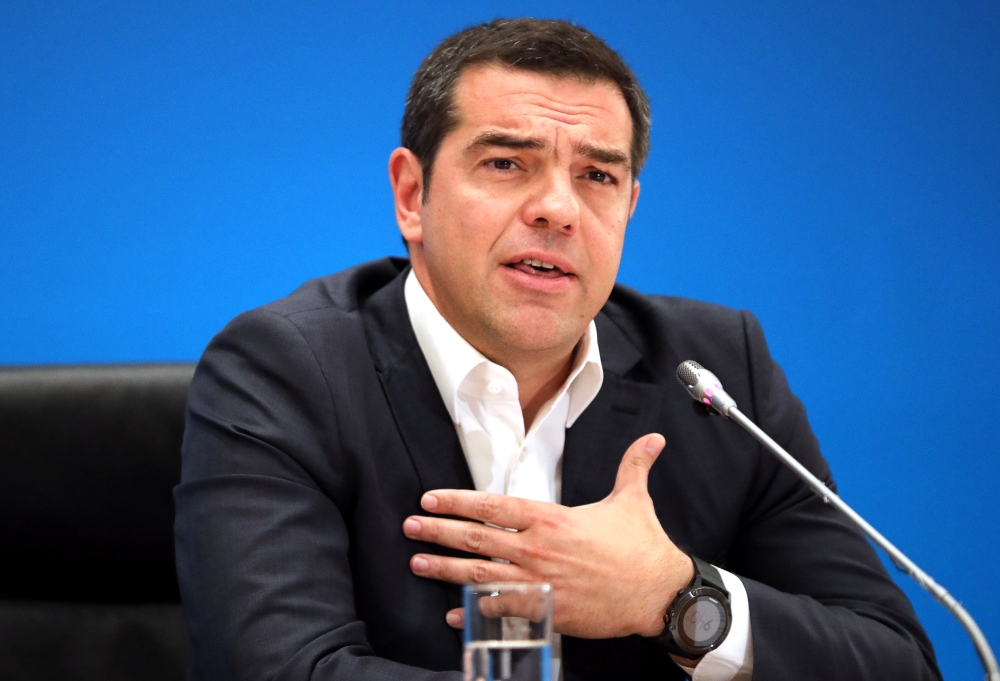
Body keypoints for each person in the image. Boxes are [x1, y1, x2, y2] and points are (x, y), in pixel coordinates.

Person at [174, 18, 941, 681]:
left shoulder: (714, 373)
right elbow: (280, 669)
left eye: (597, 175)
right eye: (506, 163)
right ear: (412, 195)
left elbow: (897, 661)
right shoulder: (284, 369)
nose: (557, 209)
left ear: (629, 206)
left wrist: (674, 597)